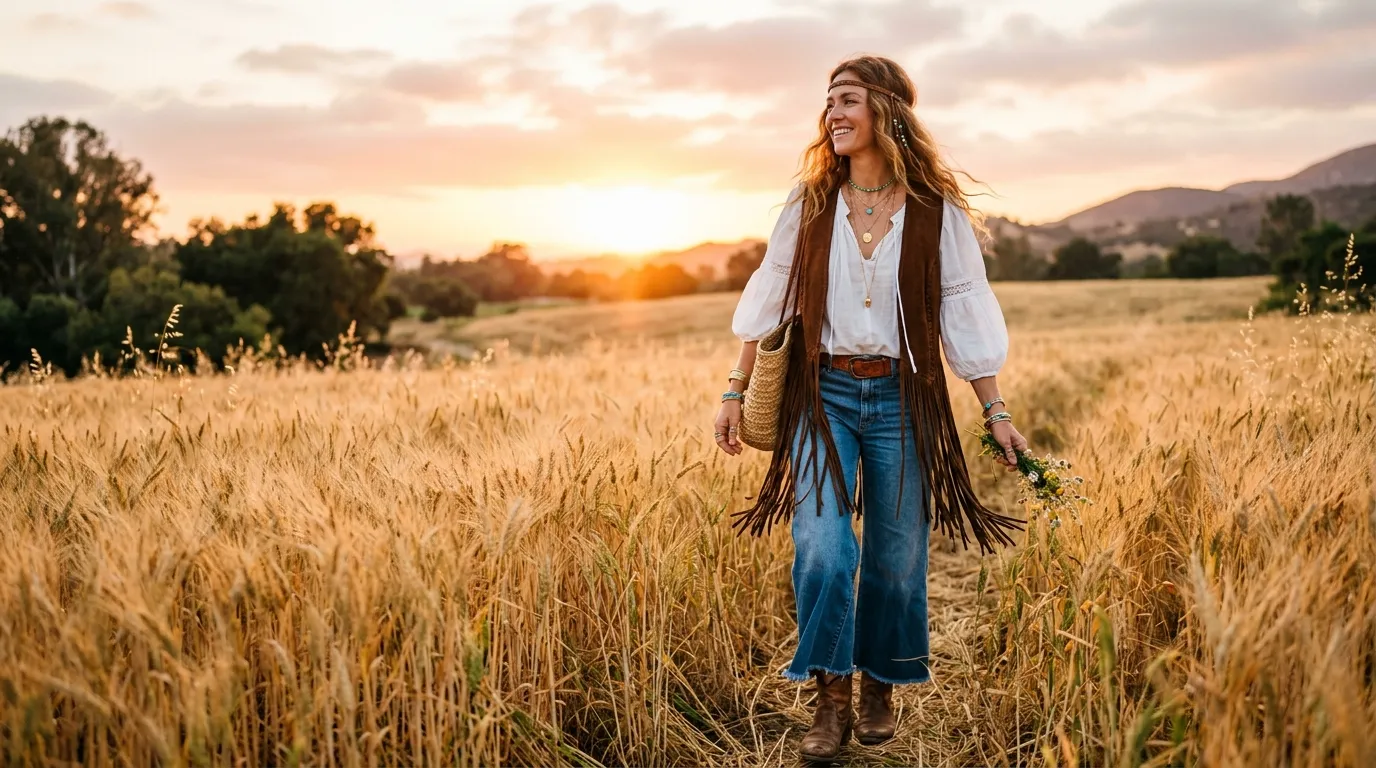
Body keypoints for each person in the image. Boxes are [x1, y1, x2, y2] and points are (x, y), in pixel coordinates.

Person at [712, 55, 1028, 763]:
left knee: (894, 558)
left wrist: (995, 409)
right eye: (828, 103)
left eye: (848, 100)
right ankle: (831, 695)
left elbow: (964, 313)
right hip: (820, 398)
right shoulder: (811, 204)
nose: (834, 114)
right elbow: (772, 301)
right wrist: (734, 389)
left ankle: (881, 680)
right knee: (824, 552)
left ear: (888, 110)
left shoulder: (936, 214)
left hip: (903, 398)